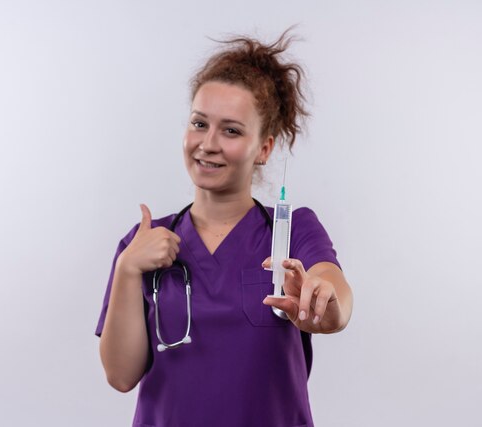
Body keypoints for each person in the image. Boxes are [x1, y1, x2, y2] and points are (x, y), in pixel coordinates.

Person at [96, 30, 353, 427]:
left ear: (264, 149)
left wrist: (323, 301)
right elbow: (120, 375)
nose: (208, 143)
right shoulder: (142, 242)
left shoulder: (290, 229)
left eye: (231, 130)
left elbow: (333, 293)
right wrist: (128, 269)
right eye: (199, 124)